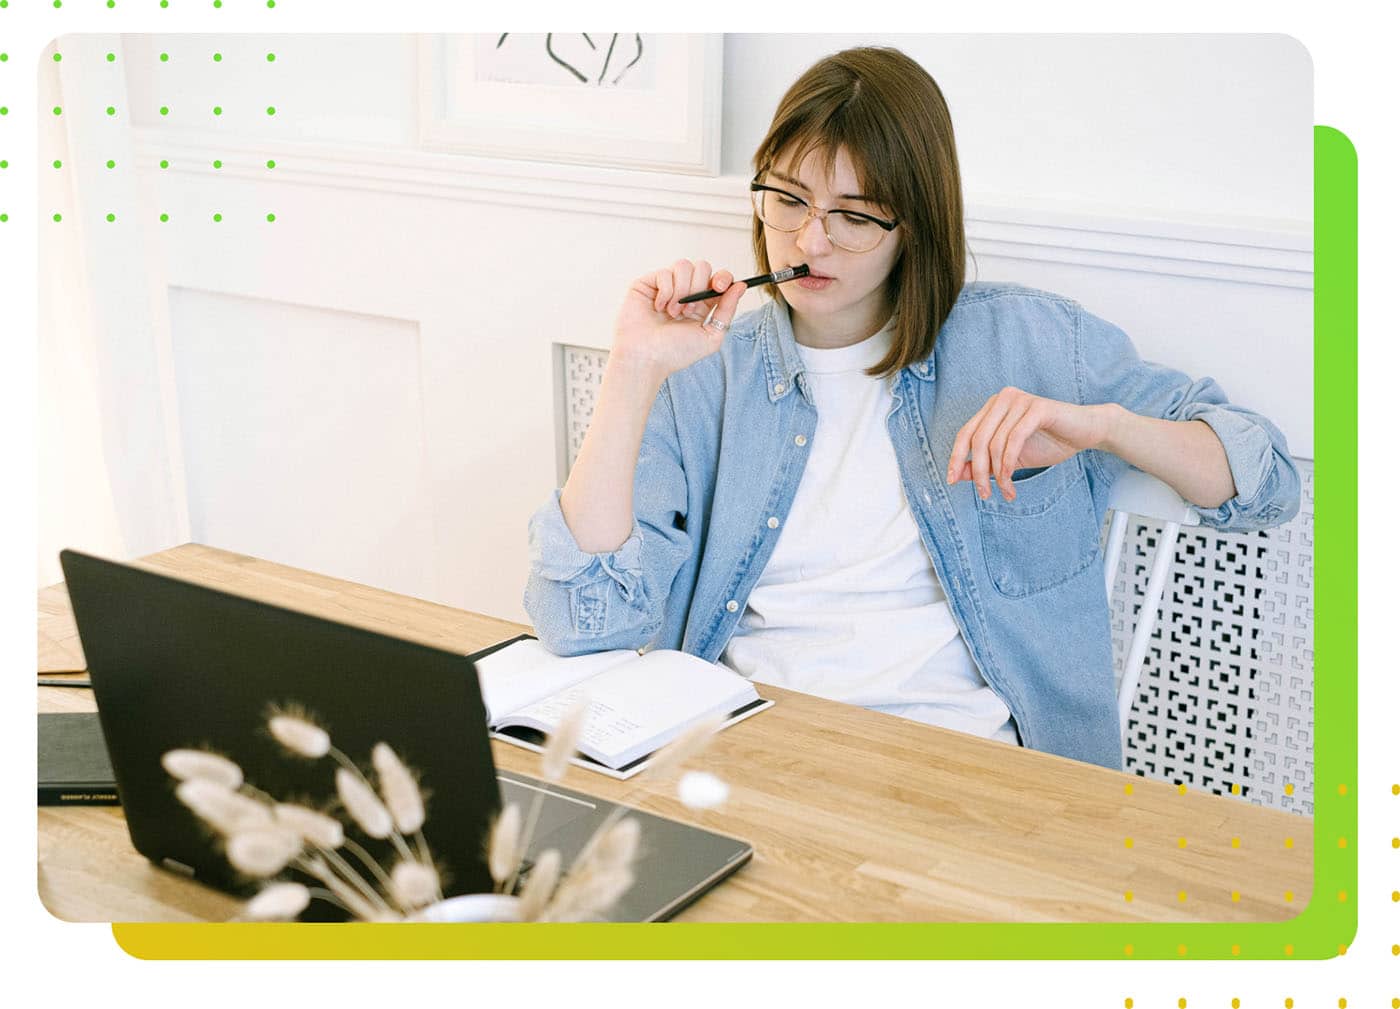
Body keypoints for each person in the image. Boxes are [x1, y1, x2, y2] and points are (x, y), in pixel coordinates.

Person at [522, 46, 1300, 770]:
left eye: (855, 216)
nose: (809, 242)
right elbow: (583, 620)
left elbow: (1264, 481)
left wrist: (1106, 427)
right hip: (752, 751)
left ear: (914, 225)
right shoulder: (704, 373)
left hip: (964, 769)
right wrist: (632, 369)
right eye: (787, 200)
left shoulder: (1030, 340)